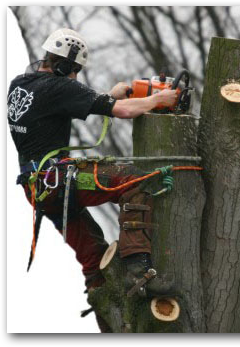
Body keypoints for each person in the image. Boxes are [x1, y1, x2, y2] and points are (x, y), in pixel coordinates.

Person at [7, 28, 178, 332]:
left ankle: (111, 324)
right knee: (133, 180)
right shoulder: (60, 87)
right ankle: (139, 267)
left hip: (38, 190)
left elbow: (63, 104)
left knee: (94, 262)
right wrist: (158, 99)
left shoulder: (21, 84)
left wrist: (106, 97)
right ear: (65, 67)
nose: (75, 78)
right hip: (58, 181)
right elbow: (123, 110)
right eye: (75, 72)